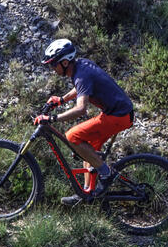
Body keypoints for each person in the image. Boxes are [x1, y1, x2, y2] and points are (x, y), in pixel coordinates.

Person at [37, 38, 134, 204]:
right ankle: (86, 193)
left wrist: (52, 118)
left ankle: (106, 172)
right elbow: (81, 88)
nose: (52, 68)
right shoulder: (80, 66)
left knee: (72, 136)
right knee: (86, 145)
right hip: (119, 113)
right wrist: (61, 99)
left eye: (53, 64)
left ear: (65, 62)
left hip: (118, 116)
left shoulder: (81, 74)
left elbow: (81, 109)